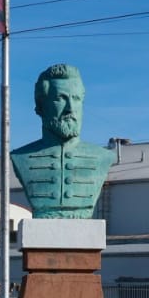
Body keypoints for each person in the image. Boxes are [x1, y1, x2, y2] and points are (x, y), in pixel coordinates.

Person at [9, 64, 115, 218]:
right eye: (61, 98)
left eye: (76, 99)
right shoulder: (21, 157)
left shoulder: (103, 157)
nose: (70, 108)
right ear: (41, 106)